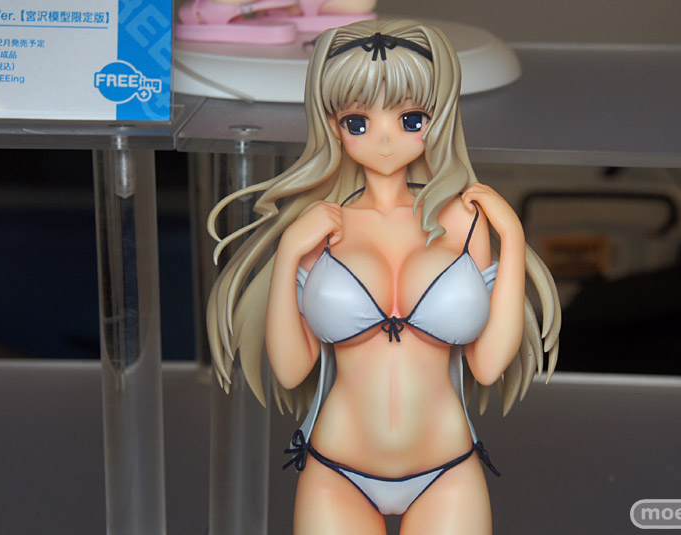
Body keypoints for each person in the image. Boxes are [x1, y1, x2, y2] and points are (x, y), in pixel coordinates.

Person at [207, 19, 560, 535]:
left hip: (446, 469)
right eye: (358, 121)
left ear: (440, 118)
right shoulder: (321, 226)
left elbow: (486, 366)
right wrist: (289, 253)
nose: (387, 139)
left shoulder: (465, 221)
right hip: (336, 470)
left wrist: (511, 233)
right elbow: (291, 369)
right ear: (332, 125)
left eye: (411, 119)